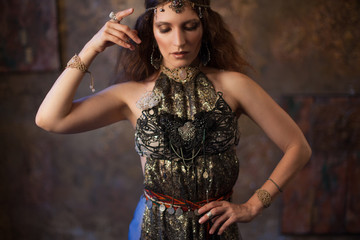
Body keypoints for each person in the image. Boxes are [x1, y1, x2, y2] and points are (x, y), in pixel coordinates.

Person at [36, 0, 312, 239]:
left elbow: (298, 147)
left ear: (205, 28)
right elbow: (50, 120)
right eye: (165, 28)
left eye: (189, 26)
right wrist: (91, 48)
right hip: (151, 228)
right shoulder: (131, 95)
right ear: (150, 31)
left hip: (215, 230)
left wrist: (254, 205)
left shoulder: (235, 86)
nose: (179, 41)